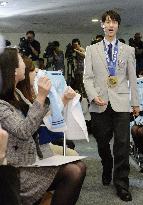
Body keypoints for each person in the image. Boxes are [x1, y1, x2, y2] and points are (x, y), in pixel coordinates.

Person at [0, 47, 86, 205]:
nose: (26, 63)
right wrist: (40, 96)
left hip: (32, 161)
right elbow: (24, 130)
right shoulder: (2, 104)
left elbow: (39, 118)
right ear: (12, 70)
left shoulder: (16, 94)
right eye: (20, 60)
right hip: (17, 170)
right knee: (74, 172)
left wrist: (63, 99)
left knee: (80, 166)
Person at [83, 10, 139, 202]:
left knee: (123, 144)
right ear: (102, 25)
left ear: (118, 26)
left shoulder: (128, 50)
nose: (111, 25)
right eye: (107, 22)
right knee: (102, 141)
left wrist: (136, 103)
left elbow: (132, 78)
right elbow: (87, 78)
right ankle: (107, 165)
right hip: (99, 103)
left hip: (122, 102)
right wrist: (93, 95)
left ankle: (122, 183)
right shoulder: (91, 50)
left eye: (114, 22)